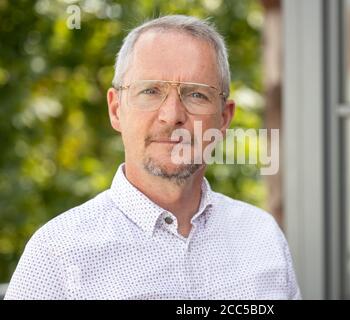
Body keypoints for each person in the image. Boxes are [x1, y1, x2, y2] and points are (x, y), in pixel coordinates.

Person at [5, 15, 300, 300]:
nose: (171, 116)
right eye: (150, 91)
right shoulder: (57, 254)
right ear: (116, 109)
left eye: (196, 94)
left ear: (224, 119)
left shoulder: (263, 237)